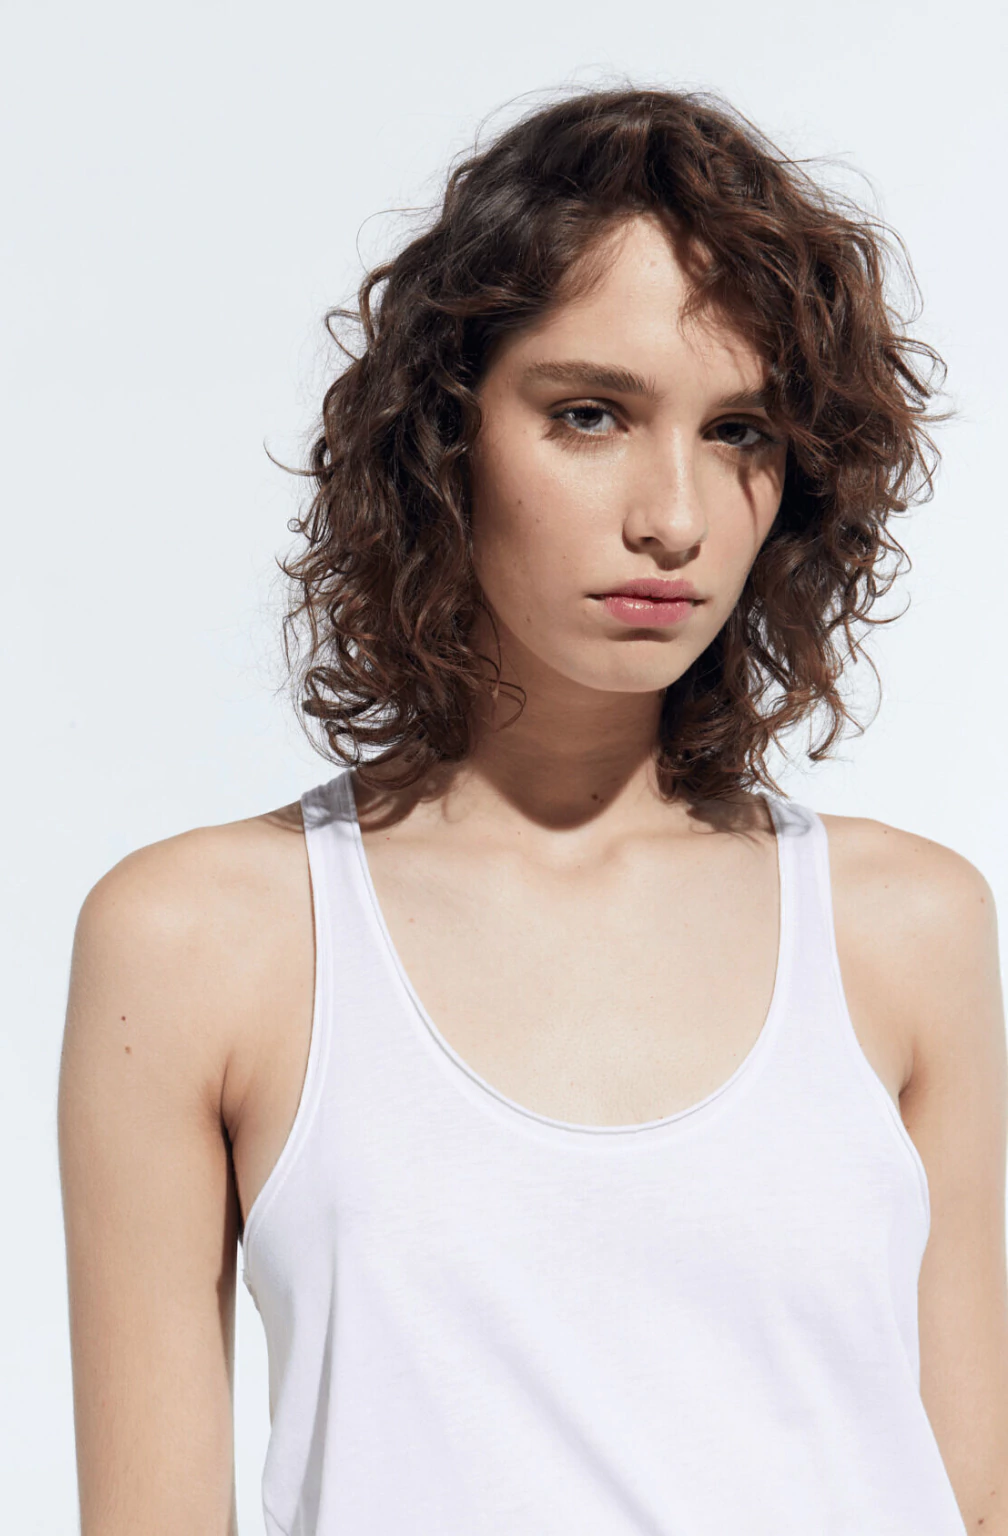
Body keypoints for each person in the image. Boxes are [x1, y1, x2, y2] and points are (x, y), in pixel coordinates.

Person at [57, 87, 1007, 1535]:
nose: (673, 516)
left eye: (739, 429)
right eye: (589, 414)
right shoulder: (204, 942)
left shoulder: (907, 930)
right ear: (444, 437)